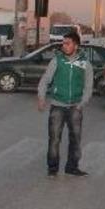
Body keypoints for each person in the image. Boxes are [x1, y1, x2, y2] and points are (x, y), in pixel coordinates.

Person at [37, 31, 93, 178]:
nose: (64, 46)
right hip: (58, 105)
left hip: (75, 106)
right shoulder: (57, 60)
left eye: (67, 43)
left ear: (76, 45)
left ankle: (72, 167)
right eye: (63, 43)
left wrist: (82, 104)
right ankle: (52, 169)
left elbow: (88, 86)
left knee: (75, 139)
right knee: (54, 138)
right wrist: (41, 97)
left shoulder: (84, 63)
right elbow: (45, 80)